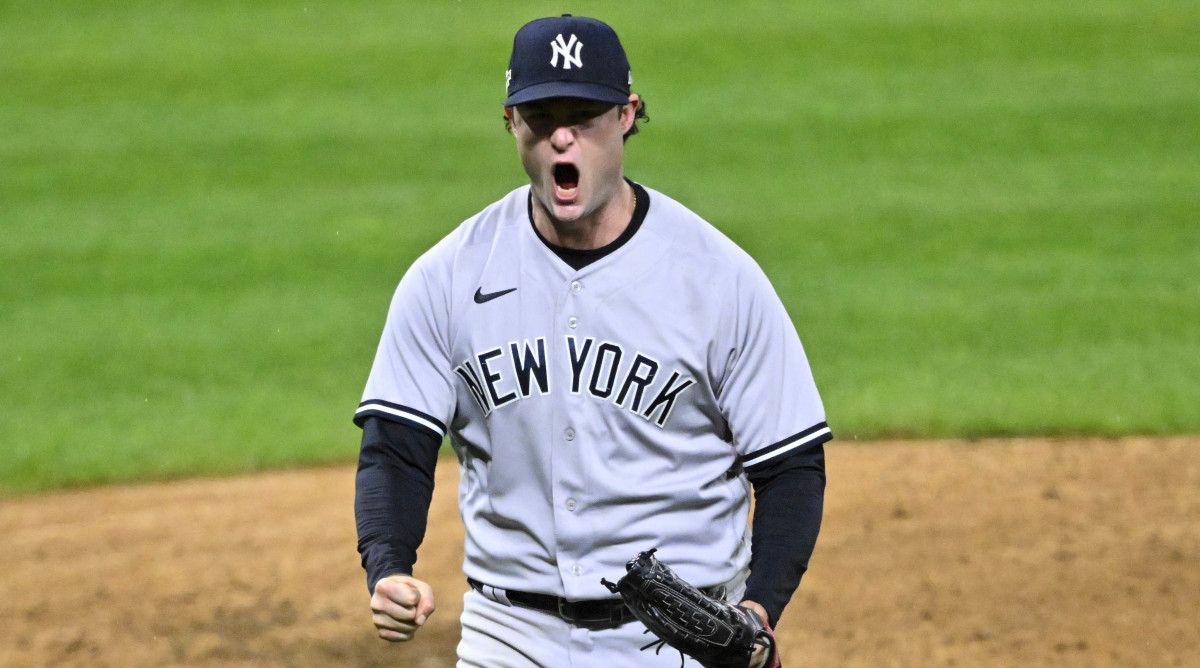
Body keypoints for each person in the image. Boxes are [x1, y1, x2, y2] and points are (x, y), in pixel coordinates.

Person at [353, 14, 830, 667]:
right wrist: (388, 564)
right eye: (542, 116)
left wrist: (757, 611)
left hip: (677, 644)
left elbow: (791, 465)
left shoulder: (718, 278)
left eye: (585, 115)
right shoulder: (448, 277)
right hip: (509, 636)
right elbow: (396, 447)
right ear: (510, 122)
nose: (563, 138)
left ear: (628, 114)